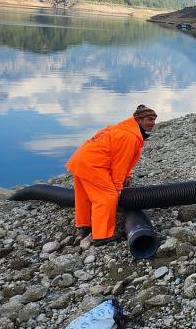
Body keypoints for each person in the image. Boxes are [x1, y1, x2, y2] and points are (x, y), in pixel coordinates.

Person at [66, 105, 157, 245]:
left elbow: (120, 157)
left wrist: (128, 175)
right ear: (138, 120)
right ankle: (102, 236)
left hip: (80, 161)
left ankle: (85, 225)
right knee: (107, 197)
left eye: (154, 119)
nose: (153, 123)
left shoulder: (122, 129)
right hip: (93, 165)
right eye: (149, 119)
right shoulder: (129, 136)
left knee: (84, 196)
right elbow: (119, 165)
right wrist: (117, 188)